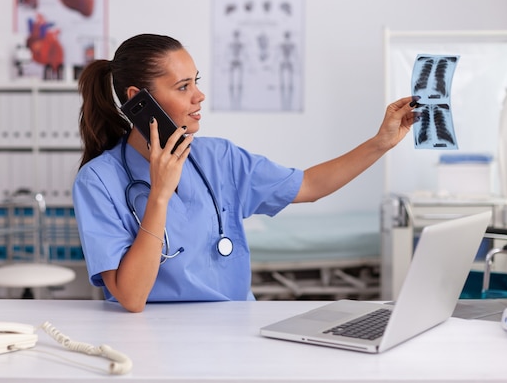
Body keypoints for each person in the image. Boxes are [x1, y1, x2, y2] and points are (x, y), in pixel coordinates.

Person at [73, 33, 415, 313]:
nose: (199, 96)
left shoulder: (219, 157)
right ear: (139, 99)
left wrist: (380, 143)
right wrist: (160, 195)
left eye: (197, 82)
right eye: (183, 87)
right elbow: (131, 297)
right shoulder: (98, 181)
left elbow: (309, 184)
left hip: (235, 327)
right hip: (152, 337)